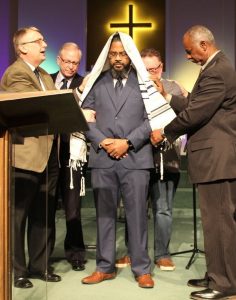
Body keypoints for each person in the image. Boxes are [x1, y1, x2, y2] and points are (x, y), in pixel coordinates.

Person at [151, 25, 236, 300]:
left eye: (189, 50)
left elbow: (197, 112)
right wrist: (167, 96)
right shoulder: (213, 67)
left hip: (218, 159)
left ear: (203, 45)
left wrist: (165, 132)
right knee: (213, 223)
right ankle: (216, 275)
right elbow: (194, 105)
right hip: (213, 159)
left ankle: (225, 284)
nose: (187, 56)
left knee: (220, 223)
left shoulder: (217, 70)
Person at [80, 32, 155, 288]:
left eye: (122, 53)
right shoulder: (96, 82)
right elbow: (85, 116)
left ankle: (141, 268)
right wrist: (102, 141)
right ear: (107, 56)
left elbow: (151, 119)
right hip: (103, 157)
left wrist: (128, 142)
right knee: (104, 215)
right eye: (113, 54)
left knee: (137, 217)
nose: (118, 58)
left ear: (130, 55)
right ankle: (104, 267)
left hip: (135, 157)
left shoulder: (143, 82)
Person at [116, 48, 187, 271]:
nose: (150, 73)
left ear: (161, 67)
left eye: (154, 69)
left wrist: (165, 130)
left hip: (167, 157)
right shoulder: (132, 88)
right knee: (134, 207)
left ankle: (162, 254)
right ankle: (133, 252)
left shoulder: (174, 87)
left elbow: (186, 116)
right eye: (144, 70)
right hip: (138, 154)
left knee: (163, 208)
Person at [0, 26, 61, 288]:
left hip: (49, 156)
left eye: (43, 39)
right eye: (39, 40)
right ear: (23, 47)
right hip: (25, 157)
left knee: (44, 214)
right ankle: (18, 270)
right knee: (18, 217)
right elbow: (32, 105)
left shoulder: (45, 74)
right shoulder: (16, 73)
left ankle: (39, 266)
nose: (45, 44)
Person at [51, 42, 87, 271]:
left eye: (75, 62)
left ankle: (75, 253)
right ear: (58, 60)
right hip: (48, 153)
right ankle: (43, 257)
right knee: (46, 206)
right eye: (67, 61)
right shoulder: (45, 80)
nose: (71, 66)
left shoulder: (85, 84)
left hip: (73, 152)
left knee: (73, 208)